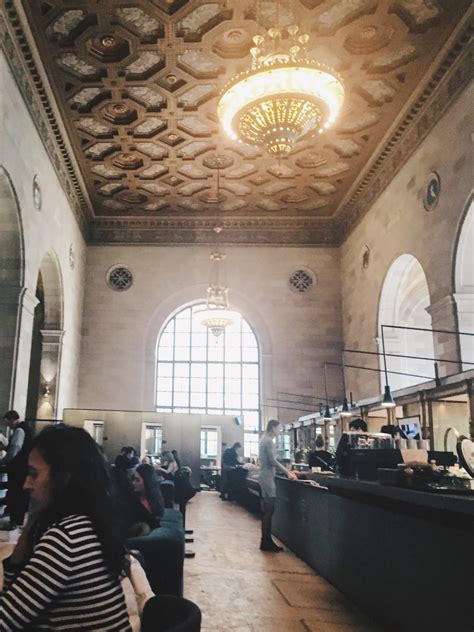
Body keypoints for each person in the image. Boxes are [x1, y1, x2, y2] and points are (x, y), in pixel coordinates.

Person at [0, 425, 132, 630]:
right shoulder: (88, 524)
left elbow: (6, 620)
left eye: (34, 474)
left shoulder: (66, 538)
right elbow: (13, 593)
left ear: (64, 478)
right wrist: (31, 521)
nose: (26, 484)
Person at [259, 420, 297, 552]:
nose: (280, 431)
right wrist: (287, 472)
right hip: (268, 478)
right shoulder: (269, 441)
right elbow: (272, 460)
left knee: (268, 511)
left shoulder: (263, 439)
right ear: (273, 428)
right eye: (279, 428)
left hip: (265, 477)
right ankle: (266, 542)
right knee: (269, 511)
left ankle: (266, 540)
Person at [0, 410, 33, 528]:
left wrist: (3, 461)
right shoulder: (26, 428)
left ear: (12, 420)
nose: (8, 425)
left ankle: (14, 522)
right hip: (23, 468)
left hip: (18, 469)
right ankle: (16, 521)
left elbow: (14, 449)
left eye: (7, 422)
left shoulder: (19, 430)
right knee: (19, 494)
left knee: (15, 494)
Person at [130, 463, 165, 536]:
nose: (133, 483)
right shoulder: (151, 496)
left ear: (147, 481)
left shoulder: (146, 502)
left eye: (137, 480)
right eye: (133, 479)